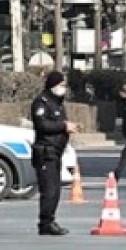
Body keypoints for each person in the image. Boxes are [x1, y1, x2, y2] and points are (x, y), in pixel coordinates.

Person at [31, 70, 77, 236]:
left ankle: (49, 220)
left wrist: (67, 127)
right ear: (53, 85)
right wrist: (63, 127)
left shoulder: (57, 102)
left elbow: (57, 122)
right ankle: (45, 223)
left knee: (55, 190)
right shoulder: (41, 102)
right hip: (45, 152)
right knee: (49, 190)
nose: (63, 88)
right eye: (61, 85)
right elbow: (42, 125)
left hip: (56, 151)